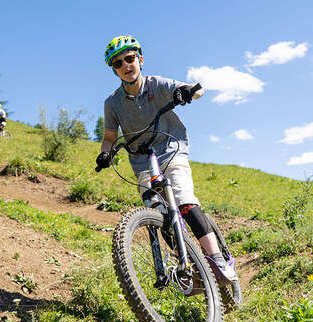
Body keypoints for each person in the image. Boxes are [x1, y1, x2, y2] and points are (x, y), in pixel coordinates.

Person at [95, 35, 237, 283]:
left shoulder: (157, 84)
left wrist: (185, 93)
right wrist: (105, 152)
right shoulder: (112, 103)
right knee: (160, 215)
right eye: (118, 63)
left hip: (171, 148)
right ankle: (189, 268)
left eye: (129, 58)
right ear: (114, 70)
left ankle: (218, 261)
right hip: (141, 160)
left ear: (140, 59)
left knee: (182, 200)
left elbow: (197, 89)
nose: (126, 66)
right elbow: (109, 136)